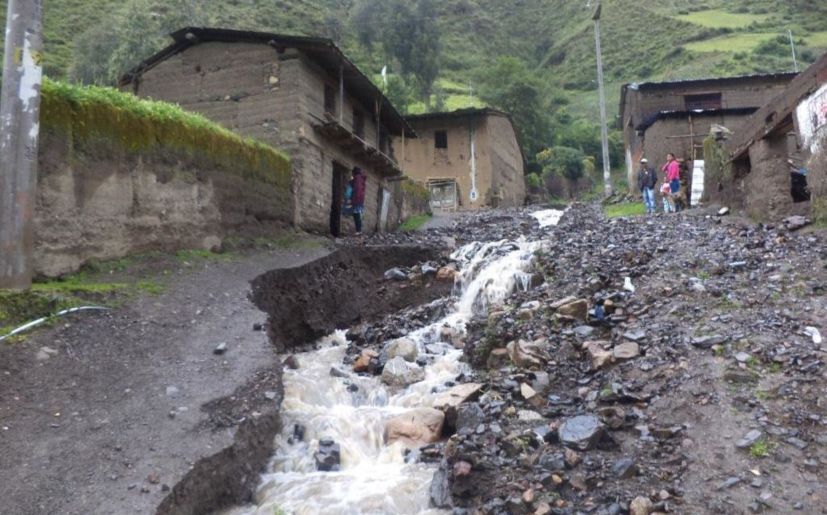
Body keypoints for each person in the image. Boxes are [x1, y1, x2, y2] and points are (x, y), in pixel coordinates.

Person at [350, 167, 366, 234]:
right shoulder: (360, 178)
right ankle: (359, 230)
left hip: (357, 199)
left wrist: (355, 198)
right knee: (357, 214)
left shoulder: (358, 178)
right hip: (360, 199)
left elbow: (358, 188)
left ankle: (358, 231)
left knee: (356, 215)